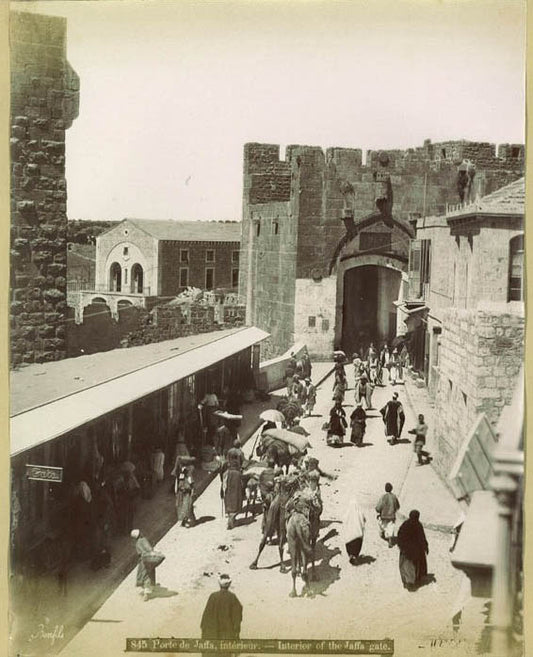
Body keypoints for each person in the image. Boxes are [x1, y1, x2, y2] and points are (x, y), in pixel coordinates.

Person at [201, 574, 243, 640]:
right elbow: (237, 616)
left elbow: (206, 616)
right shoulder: (232, 597)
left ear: (219, 584)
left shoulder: (213, 596)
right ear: (229, 584)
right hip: (228, 634)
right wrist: (236, 631)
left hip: (212, 634)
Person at [396, 510, 429, 591]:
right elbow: (422, 538)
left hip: (406, 550)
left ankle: (407, 582)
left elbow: (400, 535)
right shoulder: (418, 525)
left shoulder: (405, 524)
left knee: (405, 566)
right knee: (414, 566)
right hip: (416, 551)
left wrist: (400, 545)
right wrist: (425, 547)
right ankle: (412, 582)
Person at [132, 529, 162, 601]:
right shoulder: (143, 540)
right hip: (148, 559)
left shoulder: (137, 543)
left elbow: (139, 553)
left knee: (143, 575)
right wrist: (155, 551)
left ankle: (147, 590)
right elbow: (149, 548)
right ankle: (147, 593)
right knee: (148, 575)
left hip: (142, 561)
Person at [224, 439, 244, 529]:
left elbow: (226, 460)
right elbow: (243, 462)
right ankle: (232, 518)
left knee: (229, 493)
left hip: (229, 471)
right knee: (237, 494)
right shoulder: (240, 452)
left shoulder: (229, 451)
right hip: (237, 471)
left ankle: (229, 513)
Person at [343, 496, 366, 565]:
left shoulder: (347, 512)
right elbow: (364, 520)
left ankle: (350, 555)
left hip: (349, 535)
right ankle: (355, 556)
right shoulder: (359, 512)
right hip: (358, 534)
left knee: (349, 546)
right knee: (357, 546)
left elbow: (344, 520)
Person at [375, 483, 400, 547]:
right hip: (391, 516)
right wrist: (394, 510)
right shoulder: (394, 497)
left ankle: (383, 533)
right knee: (391, 527)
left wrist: (378, 510)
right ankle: (390, 539)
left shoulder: (383, 497)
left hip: (384, 515)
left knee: (382, 525)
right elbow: (397, 506)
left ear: (385, 489)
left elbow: (379, 507)